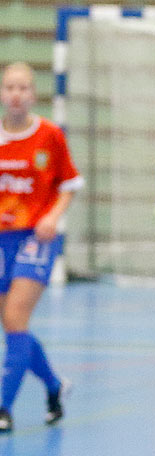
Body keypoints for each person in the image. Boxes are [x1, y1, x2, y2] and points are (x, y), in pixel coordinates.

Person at [0, 62, 82, 434]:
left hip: (35, 237)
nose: (16, 94)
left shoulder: (49, 134)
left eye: (23, 88)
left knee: (15, 318)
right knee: (13, 325)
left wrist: (53, 217)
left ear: (33, 94)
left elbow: (69, 184)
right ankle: (53, 386)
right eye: (9, 87)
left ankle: (3, 408)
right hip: (2, 239)